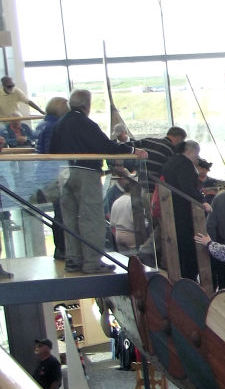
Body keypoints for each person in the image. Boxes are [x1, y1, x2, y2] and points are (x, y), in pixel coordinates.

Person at [48, 89, 146, 273]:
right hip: (86, 173)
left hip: (63, 174)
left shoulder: (60, 124)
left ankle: (73, 259)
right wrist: (132, 151)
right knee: (91, 217)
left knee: (69, 218)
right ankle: (92, 262)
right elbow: (105, 146)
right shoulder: (86, 124)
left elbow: (51, 149)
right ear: (87, 105)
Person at [161, 140, 210, 280]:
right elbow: (187, 188)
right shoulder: (185, 165)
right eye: (197, 155)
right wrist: (202, 202)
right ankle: (190, 278)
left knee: (178, 246)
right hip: (185, 211)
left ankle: (180, 276)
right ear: (192, 151)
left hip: (171, 210)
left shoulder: (170, 162)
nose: (197, 159)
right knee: (189, 246)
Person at [35, 96, 69, 260]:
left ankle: (62, 248)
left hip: (47, 173)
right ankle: (62, 248)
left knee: (59, 213)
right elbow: (53, 152)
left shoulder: (44, 124)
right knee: (61, 214)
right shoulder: (54, 127)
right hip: (54, 174)